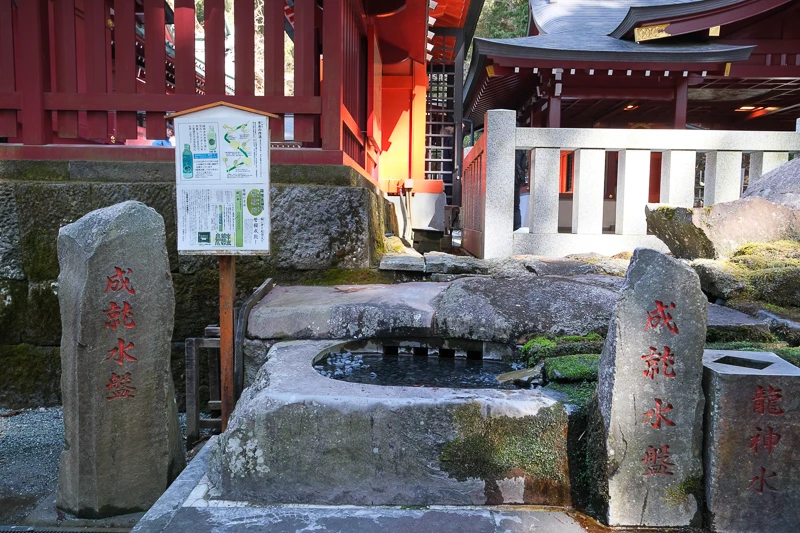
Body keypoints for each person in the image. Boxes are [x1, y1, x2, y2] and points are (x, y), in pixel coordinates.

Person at [513, 149, 528, 230]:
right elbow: (523, 165)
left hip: (507, 177)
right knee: (516, 206)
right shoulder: (521, 149)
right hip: (517, 178)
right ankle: (517, 227)